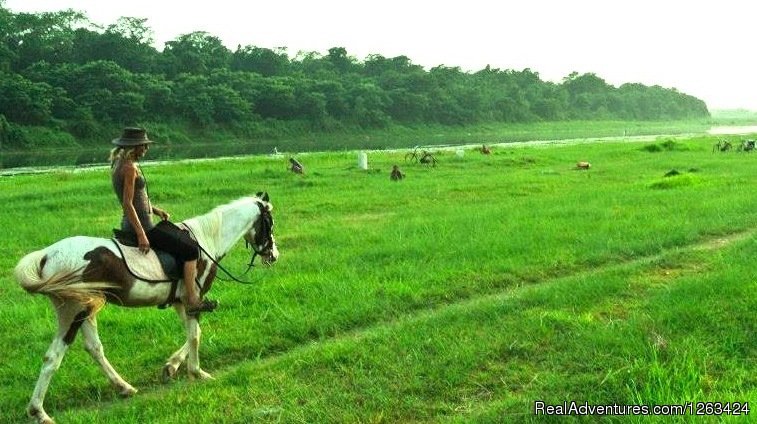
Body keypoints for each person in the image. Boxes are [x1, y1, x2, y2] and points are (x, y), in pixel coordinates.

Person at [110, 127, 216, 316]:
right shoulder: (128, 168)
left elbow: (138, 197)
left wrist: (155, 210)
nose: (146, 149)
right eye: (144, 145)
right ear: (135, 146)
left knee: (177, 239)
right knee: (191, 250)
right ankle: (192, 299)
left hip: (145, 221)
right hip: (143, 227)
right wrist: (142, 234)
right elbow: (127, 203)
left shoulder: (121, 163)